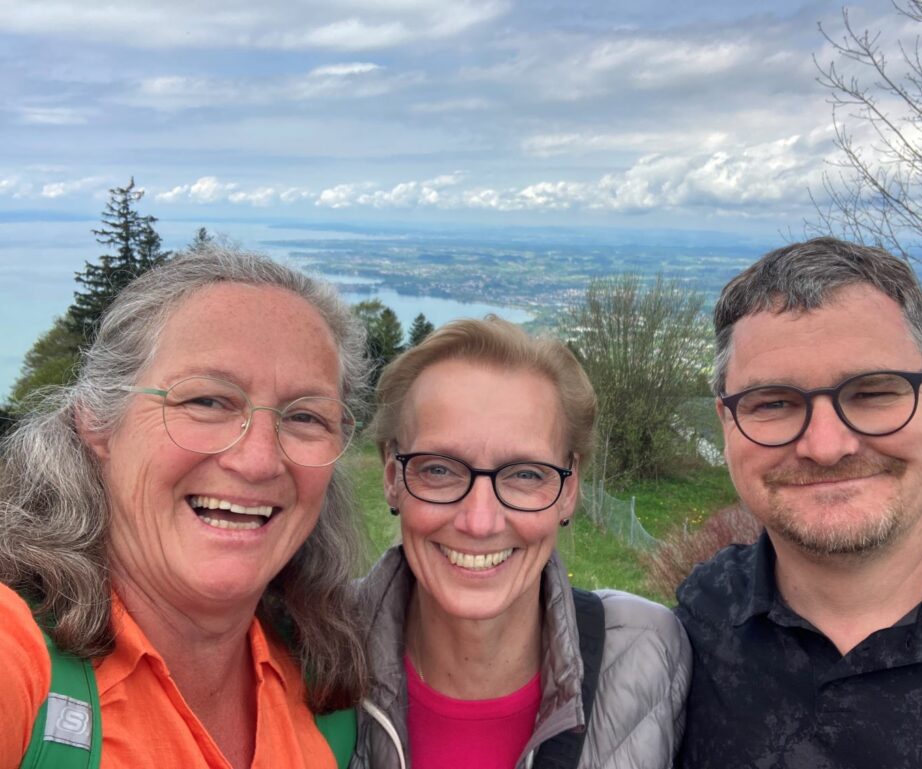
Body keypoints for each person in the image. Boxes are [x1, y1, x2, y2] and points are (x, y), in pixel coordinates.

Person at [0, 248, 370, 768]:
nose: (259, 460)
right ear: (97, 422)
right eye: (207, 401)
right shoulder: (16, 658)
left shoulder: (323, 693)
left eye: (306, 416)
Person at [674, 237, 922, 768]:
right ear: (728, 424)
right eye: (773, 403)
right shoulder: (694, 629)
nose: (826, 447)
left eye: (873, 392)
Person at [351, 316, 690, 769]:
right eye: (438, 469)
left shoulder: (647, 654)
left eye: (526, 474)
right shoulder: (308, 649)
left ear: (569, 491)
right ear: (393, 477)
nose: (480, 521)